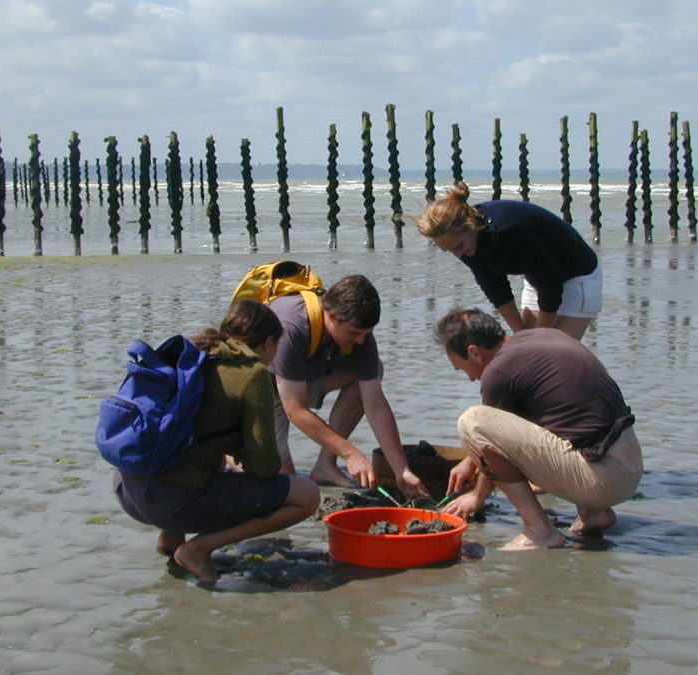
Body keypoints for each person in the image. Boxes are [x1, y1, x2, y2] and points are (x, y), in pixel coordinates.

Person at [112, 300, 320, 582]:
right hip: (170, 502)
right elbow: (266, 466)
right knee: (306, 495)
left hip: (127, 491)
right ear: (269, 342)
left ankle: (170, 540)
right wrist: (241, 462)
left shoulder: (194, 352)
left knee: (198, 457)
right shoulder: (253, 372)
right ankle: (198, 548)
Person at [434, 308, 642, 550]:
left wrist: (476, 497)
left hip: (600, 479)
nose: (470, 378)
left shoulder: (497, 372)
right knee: (561, 415)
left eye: (462, 369)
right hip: (628, 465)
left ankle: (539, 530)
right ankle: (593, 514)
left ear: (474, 353)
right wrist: (472, 460)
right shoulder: (541, 338)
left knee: (472, 422)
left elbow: (489, 438)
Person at [268, 274, 429, 499]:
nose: (361, 342)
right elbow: (295, 411)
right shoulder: (292, 326)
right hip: (264, 390)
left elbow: (375, 404)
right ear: (332, 316)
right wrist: (351, 453)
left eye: (366, 334)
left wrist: (401, 470)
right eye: (354, 333)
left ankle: (324, 465)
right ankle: (235, 455)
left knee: (373, 371)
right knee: (285, 489)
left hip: (302, 379)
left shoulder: (360, 335)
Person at [416, 181, 602, 340]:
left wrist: (540, 340)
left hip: (578, 277)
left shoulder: (508, 231)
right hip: (537, 280)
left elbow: (550, 284)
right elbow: (496, 289)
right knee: (526, 352)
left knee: (551, 356)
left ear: (469, 226)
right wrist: (522, 337)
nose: (458, 254)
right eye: (448, 250)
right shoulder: (465, 245)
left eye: (458, 246)